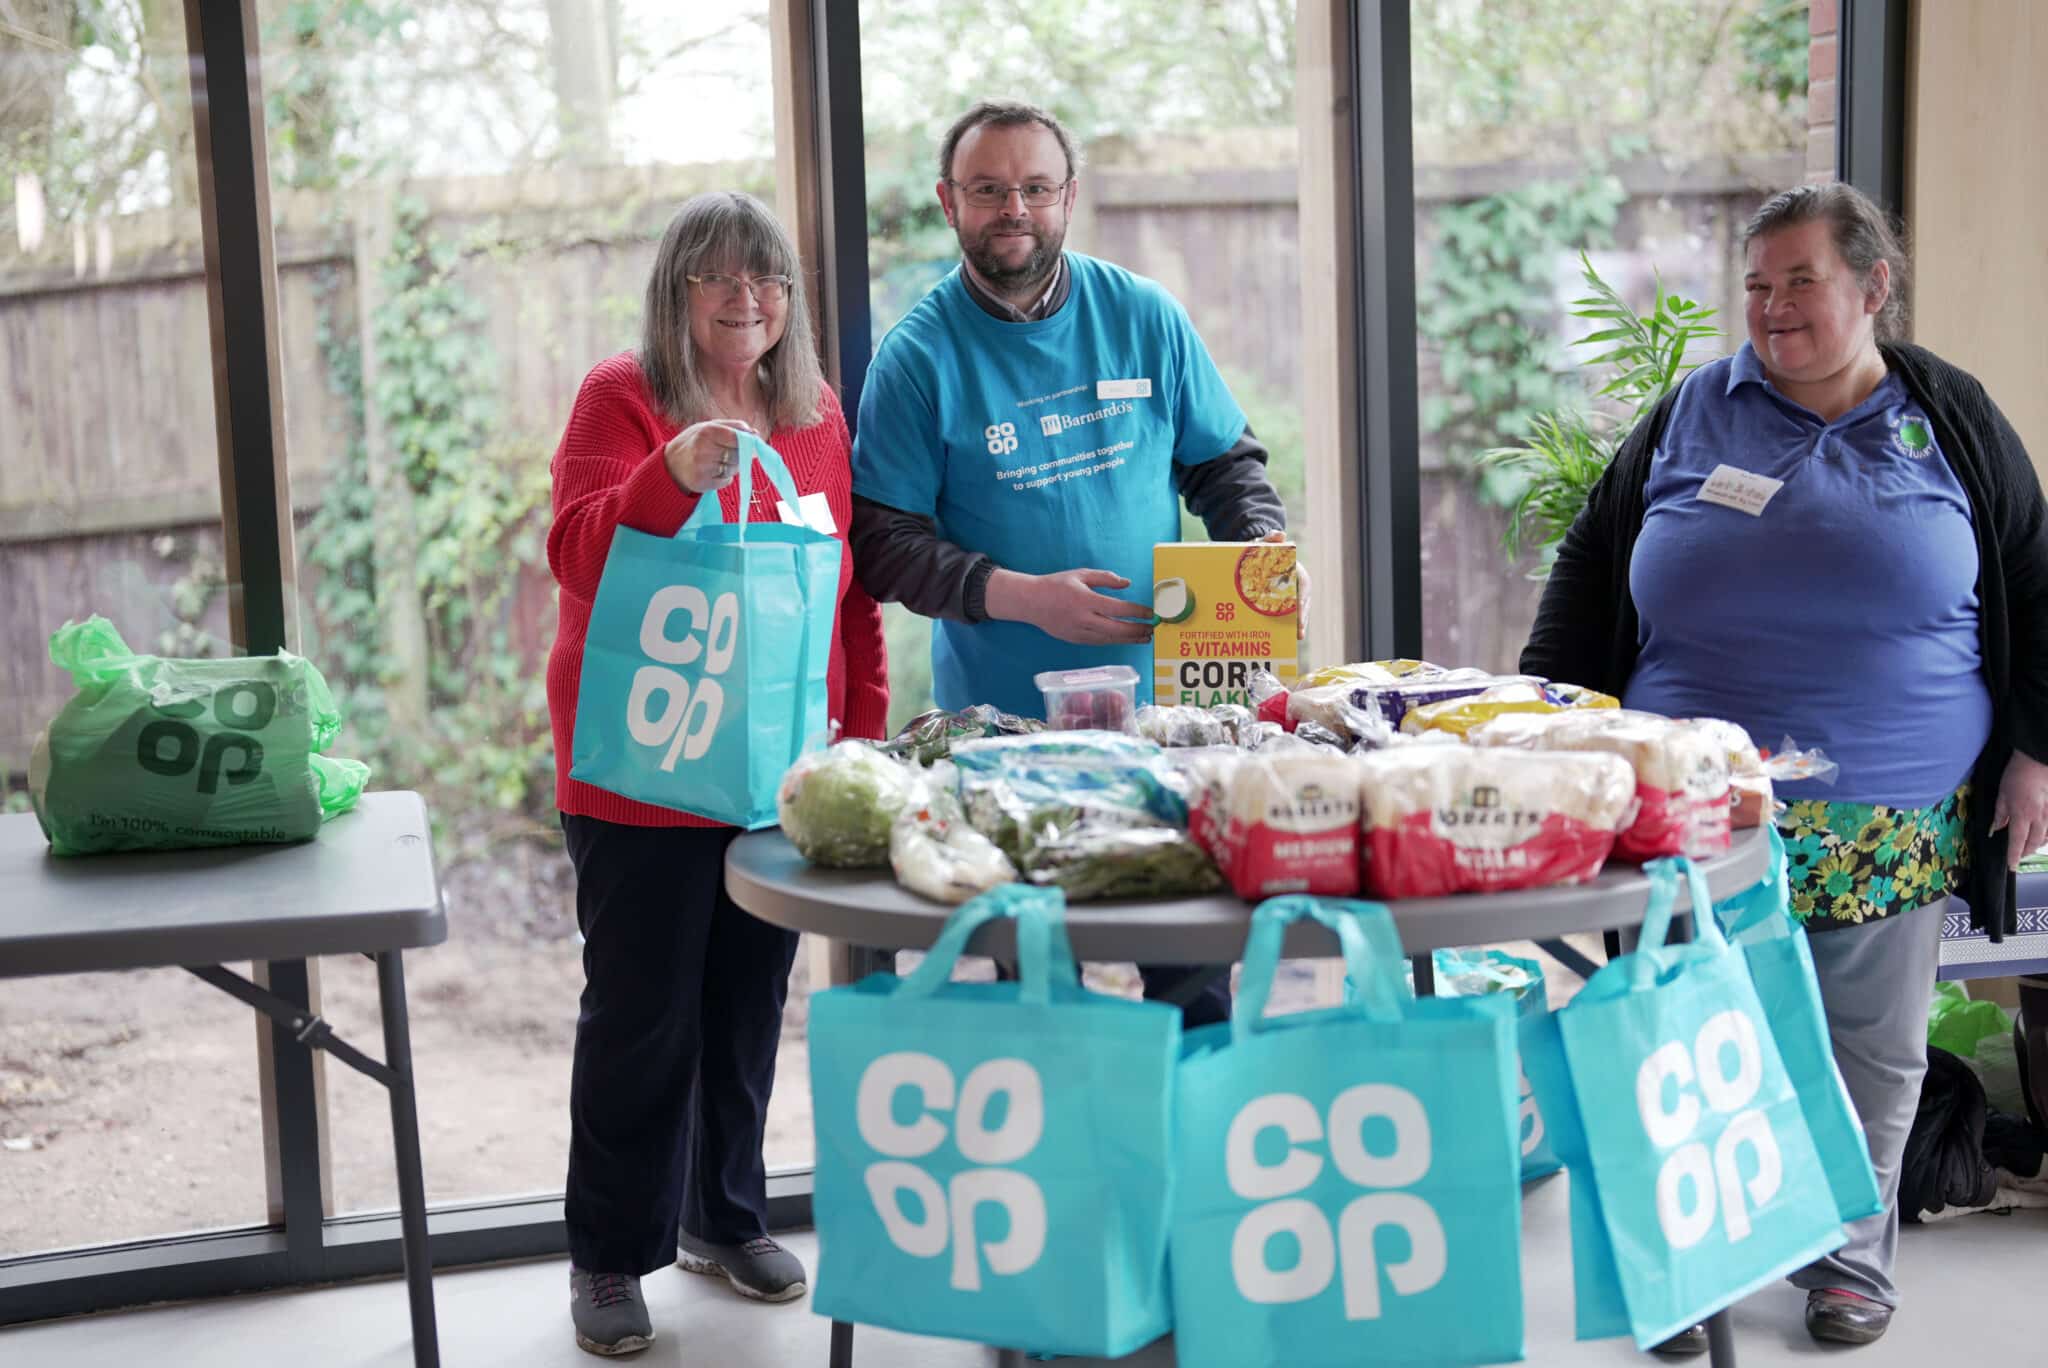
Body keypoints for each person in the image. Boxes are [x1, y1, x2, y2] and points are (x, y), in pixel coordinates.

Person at [1523, 182, 2048, 1354]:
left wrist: (2034, 754)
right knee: (1683, 1033)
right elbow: (1587, 564)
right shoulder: (1690, 412)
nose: (1769, 307)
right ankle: (1690, 1265)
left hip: (1887, 809)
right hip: (1694, 805)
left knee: (1865, 1048)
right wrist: (1551, 718)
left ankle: (1845, 1261)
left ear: (1870, 287)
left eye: (1797, 280)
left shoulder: (1945, 414)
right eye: (1754, 285)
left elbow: (2032, 579)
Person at [850, 98, 1305, 1027]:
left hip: (1166, 729)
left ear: (1068, 198)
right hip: (1011, 745)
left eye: (1034, 187)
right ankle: (1061, 1170)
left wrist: (1257, 547)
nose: (1012, 207)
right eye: (988, 190)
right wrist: (1021, 598)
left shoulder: (1142, 316)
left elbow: (1224, 464)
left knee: (1192, 984)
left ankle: (1186, 1162)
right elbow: (883, 545)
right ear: (949, 202)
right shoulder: (918, 357)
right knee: (1036, 998)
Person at [544, 191, 888, 1356]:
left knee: (745, 1006)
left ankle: (719, 1215)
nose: (748, 298)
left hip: (769, 768)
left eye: (769, 278)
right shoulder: (621, 397)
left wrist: (861, 734)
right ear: (675, 293)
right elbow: (577, 552)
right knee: (641, 1016)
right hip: (641, 771)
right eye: (719, 278)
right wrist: (674, 474)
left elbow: (842, 593)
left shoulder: (813, 415)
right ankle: (606, 1256)